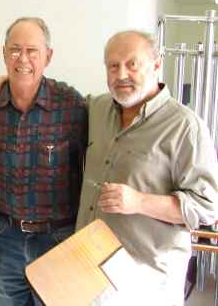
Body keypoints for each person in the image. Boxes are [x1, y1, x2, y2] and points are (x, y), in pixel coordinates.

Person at [76, 30, 218, 306]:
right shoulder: (97, 107)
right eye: (113, 66)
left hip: (145, 280)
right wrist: (13, 79)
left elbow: (207, 206)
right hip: (89, 267)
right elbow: (50, 100)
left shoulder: (185, 127)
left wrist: (140, 201)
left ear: (156, 65)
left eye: (132, 64)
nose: (121, 74)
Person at [0, 17, 88, 306]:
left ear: (48, 56)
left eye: (32, 50)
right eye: (15, 50)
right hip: (5, 240)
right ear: (4, 53)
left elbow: (90, 171)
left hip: (59, 240)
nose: (23, 58)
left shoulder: (73, 107)